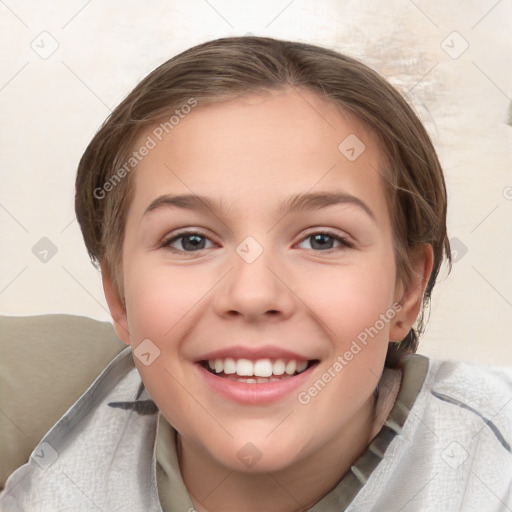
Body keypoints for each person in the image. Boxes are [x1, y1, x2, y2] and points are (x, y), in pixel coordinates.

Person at [1, 35, 511, 512]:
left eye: (322, 240)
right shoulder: (49, 435)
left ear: (406, 290)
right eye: (191, 240)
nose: (252, 294)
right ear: (118, 296)